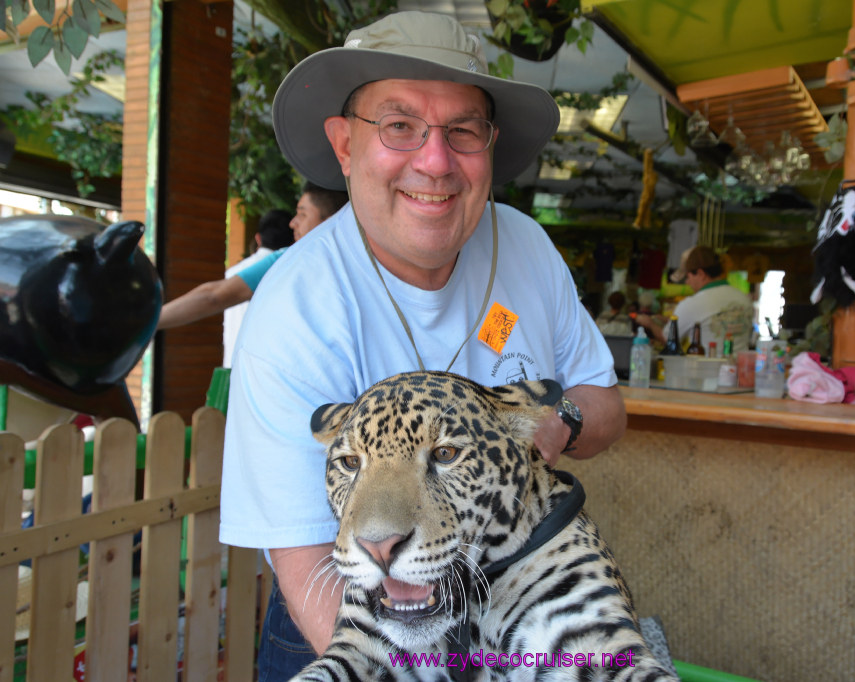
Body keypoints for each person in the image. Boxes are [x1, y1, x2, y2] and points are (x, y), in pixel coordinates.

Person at [217, 12, 627, 680]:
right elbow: (303, 553)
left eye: (462, 130)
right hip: (358, 618)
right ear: (345, 146)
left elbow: (605, 403)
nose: (435, 162)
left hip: (521, 601)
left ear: (489, 145)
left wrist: (558, 421)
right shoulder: (295, 306)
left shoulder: (526, 246)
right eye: (399, 126)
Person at [155, 183, 347, 353]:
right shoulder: (290, 260)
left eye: (302, 214)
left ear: (331, 221)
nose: (293, 222)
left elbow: (213, 296)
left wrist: (148, 321)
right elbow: (213, 295)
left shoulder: (292, 261)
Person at [636, 245, 754, 352]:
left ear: (701, 274)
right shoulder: (743, 299)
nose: (687, 282)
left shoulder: (693, 303)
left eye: (688, 276)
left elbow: (668, 339)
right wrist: (670, 321)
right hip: (742, 371)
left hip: (708, 372)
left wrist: (650, 323)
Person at [222, 209, 294, 367]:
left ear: (258, 239)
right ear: (293, 240)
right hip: (264, 371)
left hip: (229, 367)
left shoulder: (231, 274)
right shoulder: (288, 270)